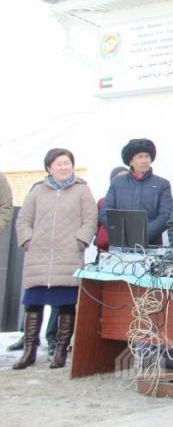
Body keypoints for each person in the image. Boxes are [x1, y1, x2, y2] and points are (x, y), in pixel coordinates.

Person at [13, 148, 97, 370]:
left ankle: (60, 351)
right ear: (49, 167)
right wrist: (28, 240)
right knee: (33, 302)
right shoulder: (38, 191)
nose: (64, 167)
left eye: (67, 162)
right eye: (59, 163)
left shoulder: (82, 190)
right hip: (38, 255)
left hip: (68, 255)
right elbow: (23, 220)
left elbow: (90, 220)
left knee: (66, 303)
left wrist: (80, 241)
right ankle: (29, 351)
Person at [100, 138, 173, 246]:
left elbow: (166, 215)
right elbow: (105, 213)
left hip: (151, 245)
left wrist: (143, 235)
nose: (145, 160)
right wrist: (122, 233)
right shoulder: (117, 183)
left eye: (147, 156)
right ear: (130, 161)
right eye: (140, 157)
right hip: (121, 245)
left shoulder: (162, 184)